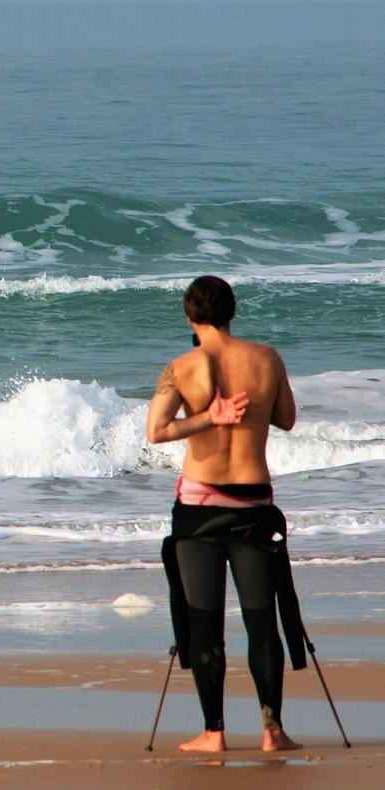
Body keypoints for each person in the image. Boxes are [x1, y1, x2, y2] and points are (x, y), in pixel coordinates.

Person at [146, 275, 301, 753]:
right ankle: (273, 732)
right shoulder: (267, 358)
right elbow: (286, 419)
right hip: (254, 503)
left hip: (199, 508)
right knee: (262, 620)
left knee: (204, 621)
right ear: (232, 311)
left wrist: (207, 418)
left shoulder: (182, 367)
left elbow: (156, 431)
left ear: (189, 317)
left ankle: (213, 734)